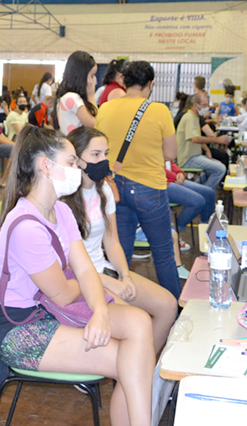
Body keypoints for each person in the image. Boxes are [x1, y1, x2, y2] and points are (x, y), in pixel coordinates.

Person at [0, 126, 155, 426]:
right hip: (22, 328)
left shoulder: (60, 211)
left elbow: (84, 269)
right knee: (131, 359)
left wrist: (102, 311)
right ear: (45, 166)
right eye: (71, 162)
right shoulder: (27, 225)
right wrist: (97, 303)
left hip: (51, 311)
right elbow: (64, 293)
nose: (78, 169)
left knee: (140, 325)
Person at [64, 126, 177, 351]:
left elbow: (112, 240)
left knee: (168, 306)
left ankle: (141, 372)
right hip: (77, 282)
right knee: (137, 322)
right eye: (95, 155)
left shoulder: (103, 189)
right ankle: (128, 370)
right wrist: (111, 282)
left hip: (103, 270)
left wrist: (125, 276)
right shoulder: (61, 199)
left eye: (106, 154)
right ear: (75, 159)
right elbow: (67, 265)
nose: (103, 160)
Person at [95, 60, 181, 299]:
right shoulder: (159, 111)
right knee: (163, 252)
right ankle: (173, 312)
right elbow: (170, 154)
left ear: (123, 80)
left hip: (113, 187)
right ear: (151, 84)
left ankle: (121, 305)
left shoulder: (105, 109)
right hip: (149, 189)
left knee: (120, 253)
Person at [165, 160, 215, 270]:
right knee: (197, 201)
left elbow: (169, 162)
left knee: (209, 193)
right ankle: (176, 232)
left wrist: (180, 173)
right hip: (161, 182)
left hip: (172, 178)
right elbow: (156, 168)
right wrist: (175, 176)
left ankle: (205, 231)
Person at [175, 93, 229, 189]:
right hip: (188, 158)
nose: (207, 107)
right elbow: (195, 139)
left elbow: (197, 137)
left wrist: (207, 150)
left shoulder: (194, 117)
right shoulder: (189, 118)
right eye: (204, 105)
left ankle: (198, 189)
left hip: (195, 155)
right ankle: (205, 193)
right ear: (196, 105)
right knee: (220, 169)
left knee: (215, 168)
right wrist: (217, 139)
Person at [56, 51, 98, 134]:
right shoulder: (71, 97)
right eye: (92, 76)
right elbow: (95, 125)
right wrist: (91, 97)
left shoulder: (72, 97)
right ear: (81, 76)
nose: (95, 81)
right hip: (77, 145)